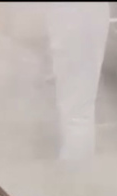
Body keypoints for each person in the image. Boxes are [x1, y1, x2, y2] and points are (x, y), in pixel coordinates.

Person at [44, 2, 111, 161]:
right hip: (80, 16)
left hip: (74, 16)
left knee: (76, 113)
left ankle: (75, 179)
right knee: (78, 108)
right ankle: (77, 175)